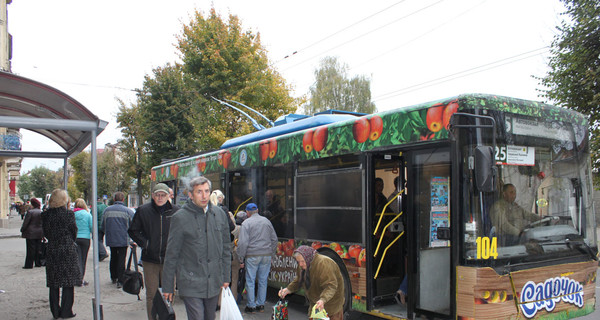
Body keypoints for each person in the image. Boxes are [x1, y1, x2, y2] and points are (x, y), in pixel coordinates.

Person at [162, 176, 231, 320]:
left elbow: (225, 248)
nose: (204, 196)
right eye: (199, 192)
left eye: (207, 191)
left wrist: (226, 276)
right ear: (190, 194)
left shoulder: (219, 215)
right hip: (190, 281)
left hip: (213, 281)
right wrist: (168, 286)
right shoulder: (180, 218)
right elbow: (171, 254)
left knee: (209, 317)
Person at [128, 183, 179, 320]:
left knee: (169, 292)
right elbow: (133, 230)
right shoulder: (143, 210)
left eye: (163, 195)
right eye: (157, 195)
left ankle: (167, 316)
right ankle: (153, 318)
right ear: (153, 196)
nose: (160, 198)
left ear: (169, 196)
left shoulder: (176, 211)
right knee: (152, 293)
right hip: (150, 259)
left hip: (169, 260)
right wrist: (146, 243)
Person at [41, 189, 81, 319]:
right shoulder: (68, 214)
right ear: (64, 200)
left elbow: (46, 232)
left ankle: (55, 311)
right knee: (68, 282)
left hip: (52, 249)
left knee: (54, 282)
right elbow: (74, 231)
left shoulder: (45, 215)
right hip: (67, 250)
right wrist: (68, 241)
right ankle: (66, 311)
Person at [278, 246, 345, 320]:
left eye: (302, 261)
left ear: (308, 258)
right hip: (316, 302)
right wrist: (288, 289)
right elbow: (299, 280)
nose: (300, 264)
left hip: (332, 304)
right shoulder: (303, 264)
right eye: (298, 262)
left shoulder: (324, 263)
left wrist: (323, 300)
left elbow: (330, 286)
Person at [237, 202, 278, 313]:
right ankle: (261, 305)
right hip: (266, 255)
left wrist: (241, 257)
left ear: (247, 212)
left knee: (250, 281)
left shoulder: (246, 223)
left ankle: (251, 306)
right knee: (263, 280)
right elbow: (274, 239)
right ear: (258, 210)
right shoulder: (267, 221)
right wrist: (272, 253)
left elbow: (243, 243)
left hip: (252, 255)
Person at [102, 191, 135, 288]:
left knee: (113, 257)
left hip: (111, 238)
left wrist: (106, 232)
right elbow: (133, 225)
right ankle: (120, 280)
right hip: (123, 239)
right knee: (121, 259)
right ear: (123, 199)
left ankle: (113, 276)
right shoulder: (128, 211)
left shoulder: (107, 210)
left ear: (114, 199)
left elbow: (103, 225)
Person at [73, 198, 93, 287]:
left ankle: (76, 278)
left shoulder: (72, 214)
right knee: (83, 259)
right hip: (85, 239)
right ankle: (81, 279)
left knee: (76, 259)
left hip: (75, 238)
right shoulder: (88, 215)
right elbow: (92, 227)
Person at [20, 197, 44, 269]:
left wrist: (22, 229)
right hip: (39, 232)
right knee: (38, 248)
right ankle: (38, 263)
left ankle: (29, 264)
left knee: (30, 249)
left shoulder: (30, 212)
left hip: (31, 233)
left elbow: (26, 223)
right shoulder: (41, 212)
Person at [96, 197, 109, 261]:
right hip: (104, 225)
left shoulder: (95, 207)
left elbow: (92, 217)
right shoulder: (105, 206)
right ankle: (100, 254)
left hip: (97, 226)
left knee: (97, 240)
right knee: (100, 240)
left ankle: (103, 252)